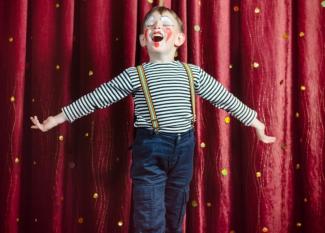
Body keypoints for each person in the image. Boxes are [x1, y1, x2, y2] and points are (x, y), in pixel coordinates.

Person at [30, 6, 276, 233]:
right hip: (149, 149)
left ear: (179, 39)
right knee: (149, 217)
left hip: (184, 149)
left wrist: (256, 123)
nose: (157, 27)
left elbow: (225, 99)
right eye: (150, 24)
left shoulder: (193, 74)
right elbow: (95, 98)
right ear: (142, 40)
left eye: (166, 23)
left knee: (174, 213)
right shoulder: (134, 75)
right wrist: (54, 119)